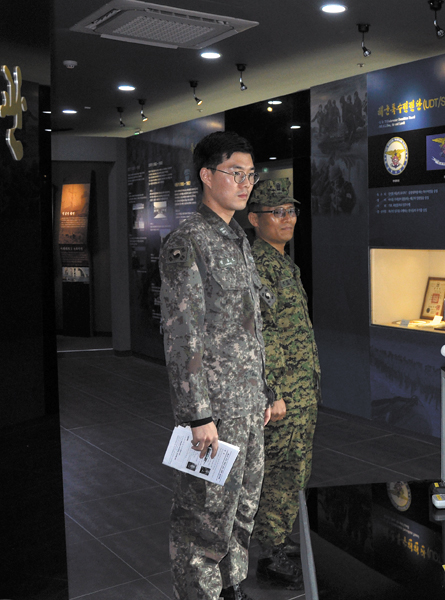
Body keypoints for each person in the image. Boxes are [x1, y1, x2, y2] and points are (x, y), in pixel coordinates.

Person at [160, 131, 271, 600]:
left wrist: (264, 391)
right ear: (207, 176)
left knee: (243, 510)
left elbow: (250, 329)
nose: (245, 183)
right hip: (215, 413)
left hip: (248, 404)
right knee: (203, 520)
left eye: (250, 175)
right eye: (235, 173)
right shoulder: (188, 242)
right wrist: (198, 415)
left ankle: (233, 587)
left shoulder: (238, 240)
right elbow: (182, 337)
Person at [247, 180, 321, 590]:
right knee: (277, 472)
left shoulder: (282, 263)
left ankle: (279, 538)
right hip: (282, 398)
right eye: (278, 212)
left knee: (294, 469)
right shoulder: (258, 265)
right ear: (254, 219)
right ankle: (271, 555)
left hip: (299, 392)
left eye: (291, 210)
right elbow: (262, 336)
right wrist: (273, 393)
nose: (288, 218)